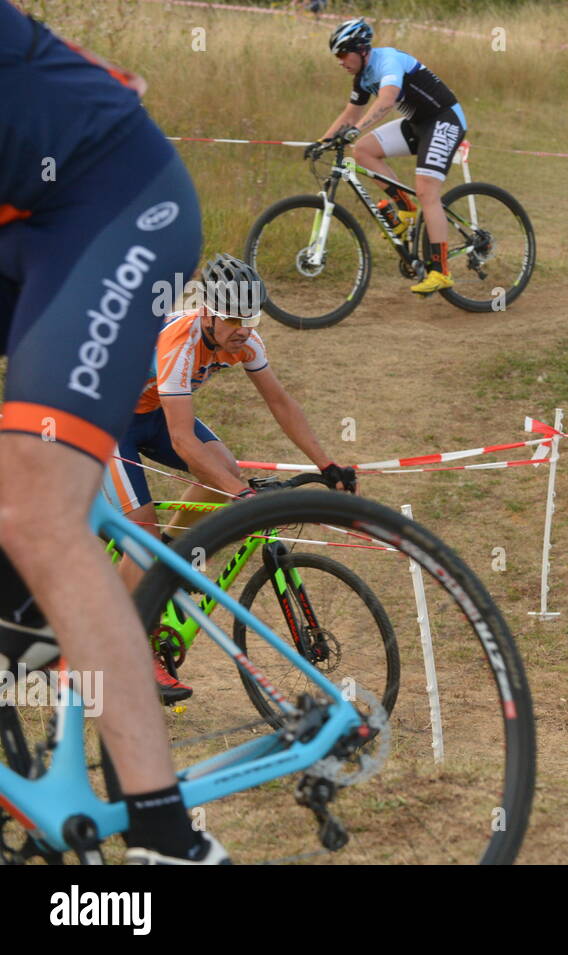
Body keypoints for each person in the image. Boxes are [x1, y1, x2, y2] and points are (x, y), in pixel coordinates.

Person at [0, 1, 225, 863]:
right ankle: (28, 616)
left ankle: (168, 836)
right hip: (26, 226)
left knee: (39, 514)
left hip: (111, 204)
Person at [100, 253, 358, 702]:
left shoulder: (246, 341)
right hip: (106, 419)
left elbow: (280, 402)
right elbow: (182, 442)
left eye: (251, 317)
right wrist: (241, 497)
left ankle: (169, 555)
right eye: (235, 319)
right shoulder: (180, 345)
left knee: (226, 469)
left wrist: (326, 463)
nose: (244, 329)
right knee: (142, 537)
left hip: (151, 411)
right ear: (209, 313)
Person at [306, 18, 467, 297]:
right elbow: (350, 114)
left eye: (344, 54)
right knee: (364, 151)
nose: (340, 61)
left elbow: (388, 99)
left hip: (444, 120)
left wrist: (355, 130)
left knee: (427, 191)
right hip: (417, 123)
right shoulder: (362, 77)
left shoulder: (387, 60)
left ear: (362, 50)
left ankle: (440, 271)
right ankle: (405, 207)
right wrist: (323, 141)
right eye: (337, 56)